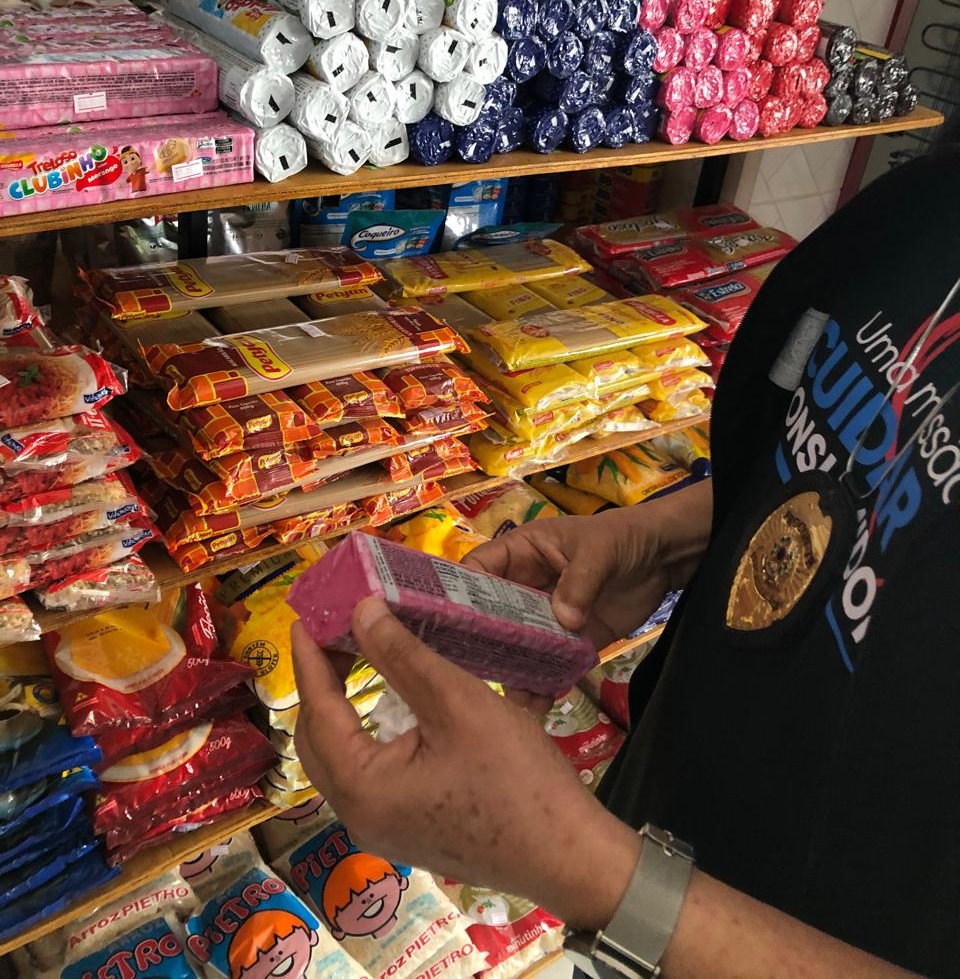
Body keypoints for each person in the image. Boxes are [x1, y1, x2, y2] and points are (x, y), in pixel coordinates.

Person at [291, 132, 960, 979]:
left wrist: (592, 873)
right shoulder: (930, 203)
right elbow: (875, 469)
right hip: (665, 830)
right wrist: (671, 536)